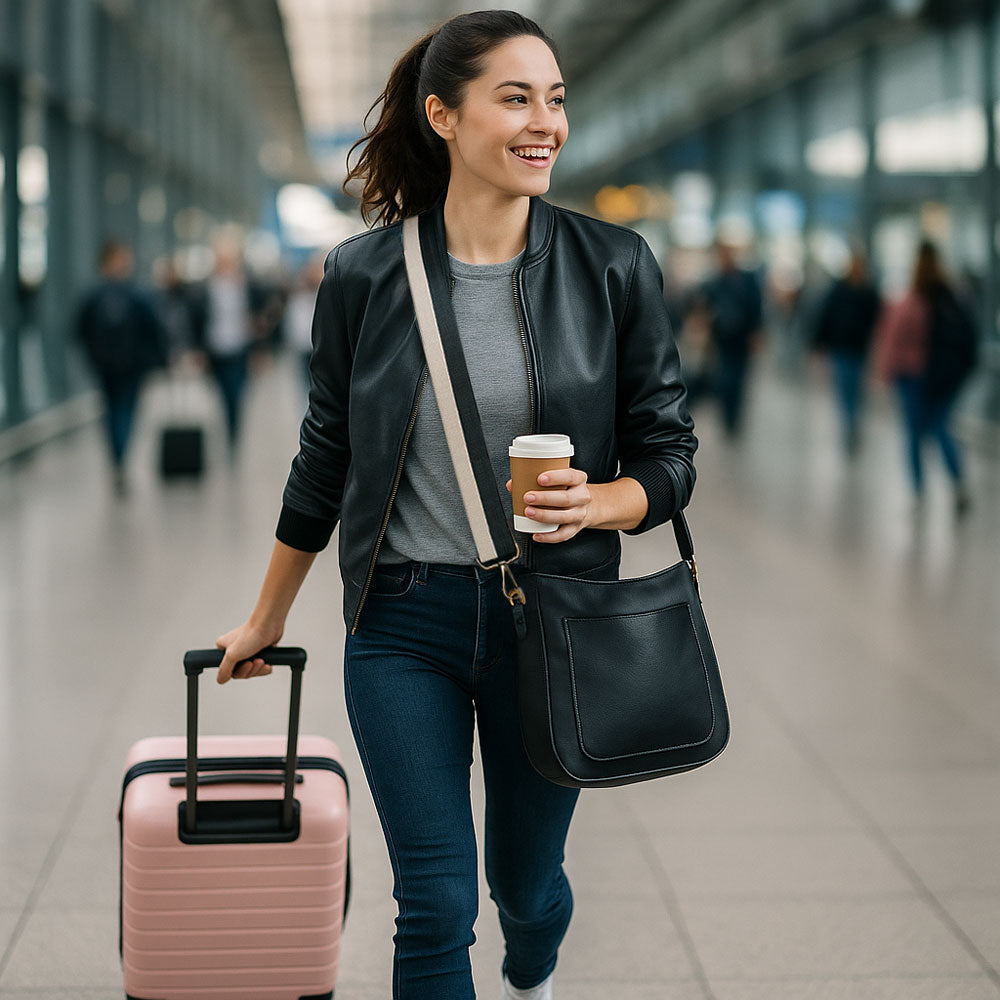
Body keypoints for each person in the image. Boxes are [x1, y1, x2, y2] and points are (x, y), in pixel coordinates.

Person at [213, 11, 696, 1000]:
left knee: (523, 886)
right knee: (433, 898)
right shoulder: (362, 275)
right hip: (401, 621)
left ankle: (532, 969)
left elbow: (671, 452)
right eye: (515, 97)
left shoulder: (612, 267)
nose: (545, 121)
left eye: (554, 97)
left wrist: (603, 500)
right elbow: (325, 458)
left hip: (553, 622)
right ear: (442, 114)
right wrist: (266, 615)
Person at [873, 240, 976, 514]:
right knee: (941, 429)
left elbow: (893, 337)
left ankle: (919, 492)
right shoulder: (950, 296)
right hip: (943, 379)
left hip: (912, 376)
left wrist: (885, 370)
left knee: (914, 435)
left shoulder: (912, 299)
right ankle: (957, 483)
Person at [76, 238, 166, 494]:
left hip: (117, 367)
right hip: (122, 367)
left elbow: (81, 331)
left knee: (117, 411)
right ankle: (120, 458)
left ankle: (119, 459)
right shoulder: (134, 294)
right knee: (121, 411)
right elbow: (153, 328)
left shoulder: (98, 296)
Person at [190, 237, 264, 454]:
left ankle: (233, 436)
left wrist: (259, 348)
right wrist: (198, 350)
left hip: (240, 348)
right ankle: (228, 431)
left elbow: (258, 316)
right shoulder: (206, 287)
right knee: (223, 394)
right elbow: (197, 319)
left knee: (236, 394)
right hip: (215, 349)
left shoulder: (247, 286)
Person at [811, 250, 882, 455]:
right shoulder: (839, 290)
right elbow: (826, 315)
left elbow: (877, 320)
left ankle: (853, 422)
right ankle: (849, 424)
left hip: (860, 348)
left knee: (857, 390)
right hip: (841, 347)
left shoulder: (868, 292)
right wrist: (819, 342)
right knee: (845, 389)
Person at [694, 239, 763, 438]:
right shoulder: (715, 282)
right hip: (722, 338)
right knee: (725, 379)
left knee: (738, 380)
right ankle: (727, 417)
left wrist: (757, 332)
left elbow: (755, 307)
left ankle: (734, 418)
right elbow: (702, 305)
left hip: (742, 339)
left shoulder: (747, 280)